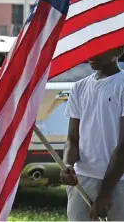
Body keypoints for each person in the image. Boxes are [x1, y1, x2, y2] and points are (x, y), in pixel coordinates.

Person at [61, 47, 124, 221]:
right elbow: (72, 139)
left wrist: (104, 195)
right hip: (82, 180)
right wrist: (67, 165)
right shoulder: (79, 88)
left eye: (100, 47)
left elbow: (123, 147)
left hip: (118, 183)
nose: (92, 52)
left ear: (119, 51)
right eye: (90, 45)